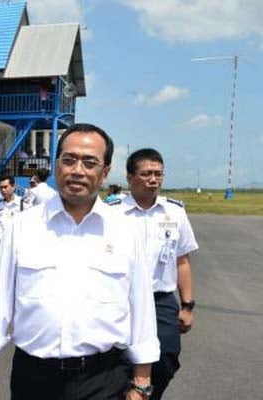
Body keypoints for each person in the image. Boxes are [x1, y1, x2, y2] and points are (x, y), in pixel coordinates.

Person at [0, 123, 159, 400]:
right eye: (69, 159)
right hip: (34, 378)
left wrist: (142, 383)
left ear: (105, 172)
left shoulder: (125, 231)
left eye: (89, 162)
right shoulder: (23, 226)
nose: (77, 170)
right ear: (56, 164)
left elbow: (142, 311)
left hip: (103, 378)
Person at [108, 148, 198, 400]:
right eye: (146, 173)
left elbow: (182, 259)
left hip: (160, 301)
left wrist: (188, 305)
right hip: (120, 300)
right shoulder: (111, 212)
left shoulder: (174, 212)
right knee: (118, 359)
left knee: (166, 357)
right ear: (129, 177)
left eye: (158, 174)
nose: (153, 179)